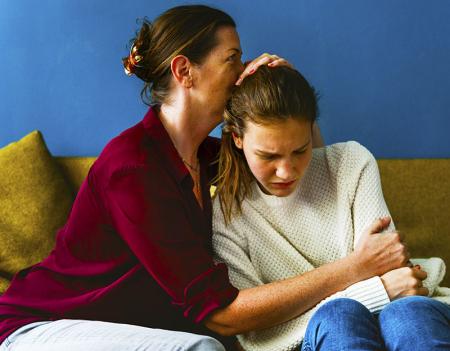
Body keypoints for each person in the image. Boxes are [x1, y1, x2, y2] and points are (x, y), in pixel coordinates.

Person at [0, 5, 410, 351]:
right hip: (42, 327)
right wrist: (356, 269)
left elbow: (310, 172)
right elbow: (222, 315)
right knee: (201, 348)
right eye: (232, 59)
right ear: (185, 71)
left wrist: (285, 93)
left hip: (124, 330)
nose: (244, 70)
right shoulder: (132, 168)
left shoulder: (214, 158)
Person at [212, 65, 450, 350]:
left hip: (407, 309)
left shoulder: (351, 163)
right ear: (237, 138)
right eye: (268, 156)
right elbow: (256, 330)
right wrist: (379, 290)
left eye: (300, 150)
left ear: (312, 129)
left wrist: (382, 285)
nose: (287, 172)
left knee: (406, 314)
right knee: (337, 317)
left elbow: (389, 268)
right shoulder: (226, 213)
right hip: (313, 336)